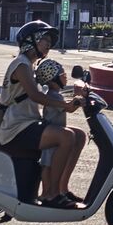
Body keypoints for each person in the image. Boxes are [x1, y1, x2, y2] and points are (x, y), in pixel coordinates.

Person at [0, 20, 86, 208]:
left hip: (29, 123)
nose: (48, 44)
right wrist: (66, 106)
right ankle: (50, 195)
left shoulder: (29, 65)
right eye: (43, 39)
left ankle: (62, 190)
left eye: (48, 40)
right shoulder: (21, 65)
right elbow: (35, 95)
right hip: (16, 127)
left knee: (79, 135)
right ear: (31, 41)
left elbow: (52, 85)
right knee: (66, 137)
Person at [34, 58, 88, 203]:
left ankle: (60, 190)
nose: (65, 76)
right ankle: (47, 193)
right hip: (52, 138)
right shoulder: (53, 96)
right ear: (53, 79)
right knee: (47, 166)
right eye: (62, 73)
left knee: (49, 164)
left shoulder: (55, 95)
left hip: (55, 134)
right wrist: (78, 99)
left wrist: (78, 98)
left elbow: (68, 106)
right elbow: (69, 108)